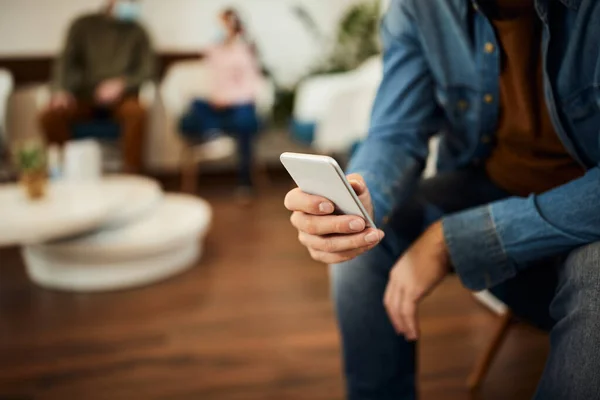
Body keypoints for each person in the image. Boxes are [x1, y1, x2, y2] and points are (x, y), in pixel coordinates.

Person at [284, 0, 600, 398]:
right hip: (490, 187)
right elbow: (396, 132)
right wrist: (364, 197)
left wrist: (455, 239)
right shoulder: (421, 8)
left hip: (588, 219)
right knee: (364, 241)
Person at [40, 0, 155, 174]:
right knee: (49, 115)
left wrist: (122, 84)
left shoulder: (138, 32)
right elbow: (65, 62)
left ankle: (131, 173)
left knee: (137, 113)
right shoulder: (83, 25)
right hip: (84, 96)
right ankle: (64, 169)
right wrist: (60, 91)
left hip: (122, 99)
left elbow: (148, 70)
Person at [179, 8, 262, 195]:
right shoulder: (214, 51)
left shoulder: (246, 50)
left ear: (234, 25)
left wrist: (230, 99)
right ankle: (214, 135)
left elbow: (252, 85)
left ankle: (245, 182)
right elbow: (214, 80)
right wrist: (217, 98)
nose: (219, 28)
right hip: (217, 104)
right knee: (194, 105)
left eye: (224, 24)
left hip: (240, 104)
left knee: (245, 122)